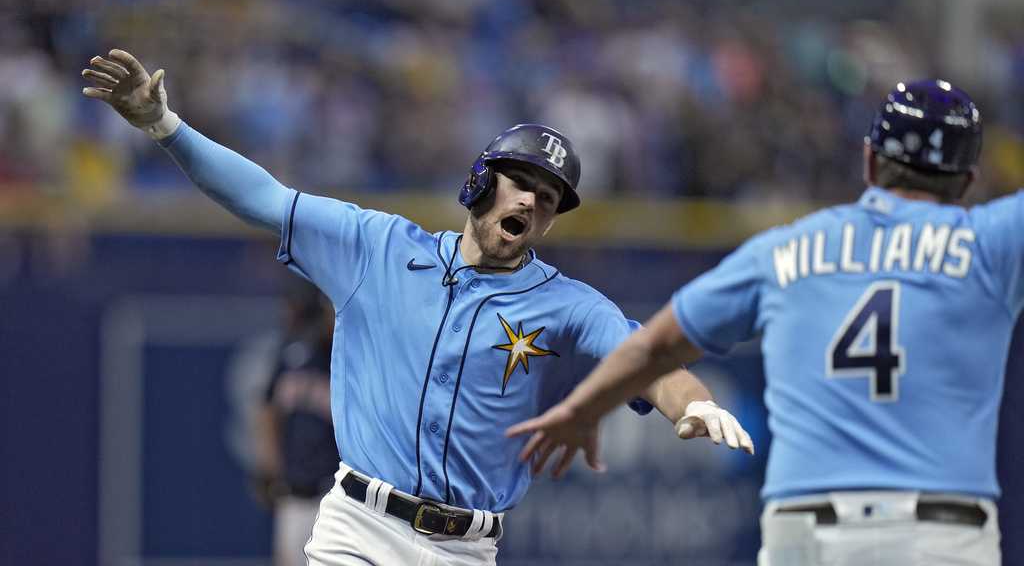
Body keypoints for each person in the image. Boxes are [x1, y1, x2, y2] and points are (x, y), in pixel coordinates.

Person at [82, 49, 753, 566]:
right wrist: (164, 126)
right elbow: (261, 196)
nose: (530, 203)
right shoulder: (376, 247)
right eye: (521, 184)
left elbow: (646, 356)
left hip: (467, 547)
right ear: (479, 182)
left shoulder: (563, 303)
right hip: (359, 527)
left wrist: (694, 404)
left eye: (547, 201)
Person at [509, 80, 1005, 566]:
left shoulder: (785, 249)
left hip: (807, 533)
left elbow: (655, 347)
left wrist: (583, 410)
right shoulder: (993, 242)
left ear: (870, 161)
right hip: (943, 531)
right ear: (968, 181)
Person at [254, 280, 339, 566]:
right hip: (296, 491)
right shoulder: (290, 355)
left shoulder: (343, 358)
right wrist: (269, 466)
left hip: (336, 496)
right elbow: (268, 412)